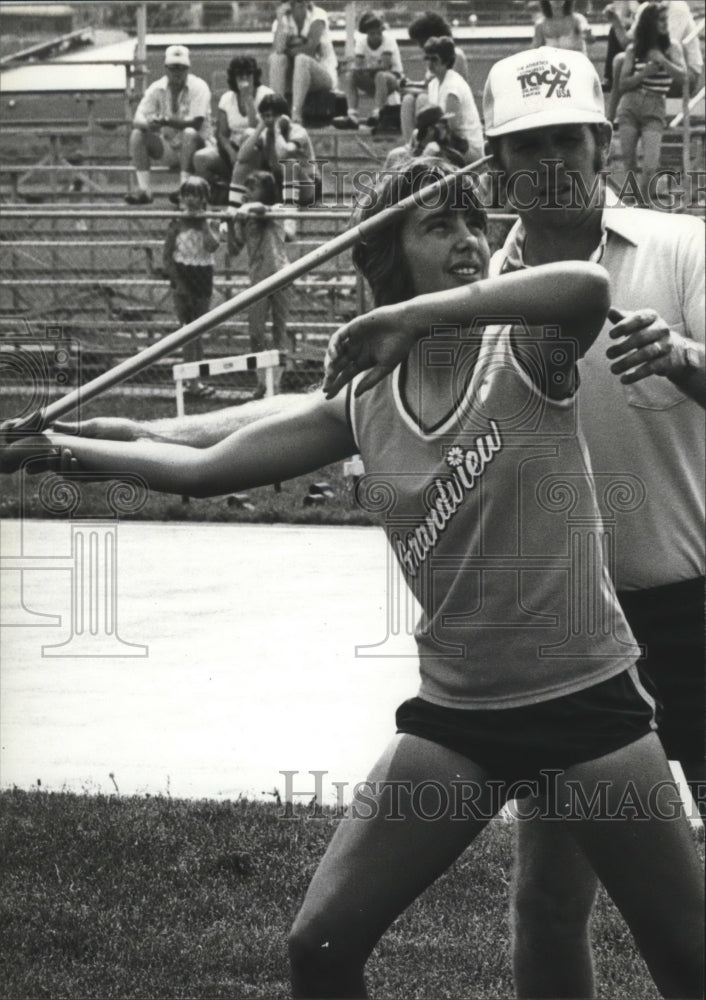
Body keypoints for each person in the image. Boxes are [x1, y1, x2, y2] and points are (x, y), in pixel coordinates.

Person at [6, 159, 704, 1000]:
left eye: (473, 223)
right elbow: (202, 464)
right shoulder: (364, 403)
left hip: (590, 707)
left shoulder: (524, 350)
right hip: (460, 718)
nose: (470, 241)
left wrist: (413, 313)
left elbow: (584, 287)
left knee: (684, 957)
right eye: (438, 227)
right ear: (385, 254)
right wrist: (61, 451)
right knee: (319, 946)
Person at [481, 45, 705, 998]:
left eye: (570, 138)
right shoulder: (479, 294)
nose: (554, 163)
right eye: (528, 147)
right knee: (548, 898)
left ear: (605, 141)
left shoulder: (680, 247)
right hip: (575, 637)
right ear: (498, 167)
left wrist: (687, 355)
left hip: (697, 607)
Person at [226, 170, 293, 399]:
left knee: (279, 330)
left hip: (280, 274)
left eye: (252, 189)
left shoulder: (276, 209)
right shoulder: (246, 217)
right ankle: (261, 381)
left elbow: (262, 211)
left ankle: (277, 382)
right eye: (245, 190)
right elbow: (235, 248)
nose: (247, 194)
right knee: (255, 331)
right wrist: (231, 221)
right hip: (257, 278)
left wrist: (244, 209)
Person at [616, 2, 686, 203]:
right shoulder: (634, 49)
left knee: (650, 165)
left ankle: (644, 204)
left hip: (655, 106)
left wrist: (663, 61)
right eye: (661, 20)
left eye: (666, 19)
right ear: (649, 23)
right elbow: (622, 84)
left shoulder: (672, 47)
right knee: (629, 162)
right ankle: (638, 206)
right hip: (630, 104)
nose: (665, 24)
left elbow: (684, 78)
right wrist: (643, 74)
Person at [125, 45, 214, 206]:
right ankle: (144, 190)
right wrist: (149, 124)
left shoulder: (199, 87)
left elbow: (197, 122)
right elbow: (137, 119)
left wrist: (165, 120)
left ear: (188, 68)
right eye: (173, 68)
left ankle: (185, 188)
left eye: (181, 68)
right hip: (171, 148)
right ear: (166, 68)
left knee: (189, 132)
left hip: (198, 150)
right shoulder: (156, 88)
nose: (177, 72)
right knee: (138, 134)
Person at [161, 175, 220, 399]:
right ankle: (192, 381)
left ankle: (196, 377)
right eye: (187, 194)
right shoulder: (177, 222)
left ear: (204, 197)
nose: (191, 199)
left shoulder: (212, 220)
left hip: (202, 273)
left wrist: (204, 222)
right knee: (187, 330)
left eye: (197, 194)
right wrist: (177, 282)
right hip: (182, 272)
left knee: (199, 329)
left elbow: (212, 246)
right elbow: (167, 256)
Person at [193, 55, 273, 203]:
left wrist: (248, 99)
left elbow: (256, 129)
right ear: (233, 78)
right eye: (240, 75)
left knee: (248, 134)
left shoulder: (266, 95)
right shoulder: (227, 98)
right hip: (233, 151)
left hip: (259, 151)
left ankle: (244, 195)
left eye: (248, 74)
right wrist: (231, 152)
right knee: (201, 158)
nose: (244, 79)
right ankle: (216, 196)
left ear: (254, 75)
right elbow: (222, 134)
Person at [227, 93, 318, 214]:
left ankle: (290, 214)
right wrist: (259, 128)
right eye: (265, 116)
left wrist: (277, 129)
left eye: (271, 116)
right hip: (280, 186)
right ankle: (232, 211)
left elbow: (284, 154)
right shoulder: (265, 133)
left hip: (306, 187)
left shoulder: (297, 131)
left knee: (289, 164)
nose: (269, 120)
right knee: (242, 166)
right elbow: (241, 157)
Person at [401, 11, 469, 144]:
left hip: (450, 105)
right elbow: (429, 84)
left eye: (421, 41)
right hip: (435, 98)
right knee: (408, 100)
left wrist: (416, 89)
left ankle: (424, 145)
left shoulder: (455, 55)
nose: (420, 46)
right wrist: (409, 86)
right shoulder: (434, 57)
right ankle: (411, 145)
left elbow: (442, 87)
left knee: (422, 99)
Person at [269, 0, 338, 125]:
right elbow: (278, 50)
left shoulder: (318, 15)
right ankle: (278, 111)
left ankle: (296, 114)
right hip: (295, 79)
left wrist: (288, 48)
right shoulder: (282, 20)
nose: (300, 3)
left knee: (302, 59)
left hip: (321, 75)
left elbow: (310, 49)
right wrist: (280, 20)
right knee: (276, 59)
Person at [334, 11, 404, 131]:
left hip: (393, 80)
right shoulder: (361, 43)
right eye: (372, 33)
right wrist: (355, 68)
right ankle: (352, 115)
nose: (376, 36)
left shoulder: (388, 41)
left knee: (380, 75)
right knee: (351, 75)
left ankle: (378, 113)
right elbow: (358, 65)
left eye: (378, 32)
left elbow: (385, 66)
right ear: (366, 33)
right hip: (373, 81)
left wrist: (365, 67)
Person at [420, 36, 484, 164]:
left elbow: (452, 128)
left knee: (428, 155)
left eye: (434, 59)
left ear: (446, 61)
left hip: (468, 148)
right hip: (447, 142)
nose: (429, 64)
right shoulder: (434, 84)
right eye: (427, 58)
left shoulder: (453, 87)